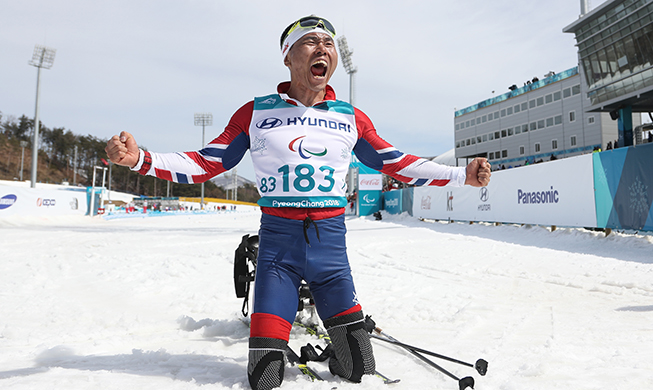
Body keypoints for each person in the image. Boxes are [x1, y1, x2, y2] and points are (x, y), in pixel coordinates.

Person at [105, 15, 491, 390]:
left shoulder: (351, 118)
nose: (322, 48)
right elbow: (208, 162)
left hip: (331, 258)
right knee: (266, 378)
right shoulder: (256, 111)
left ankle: (334, 345)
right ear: (288, 57)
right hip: (278, 255)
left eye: (329, 43)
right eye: (310, 41)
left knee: (358, 368)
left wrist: (461, 174)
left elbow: (397, 163)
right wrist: (140, 159)